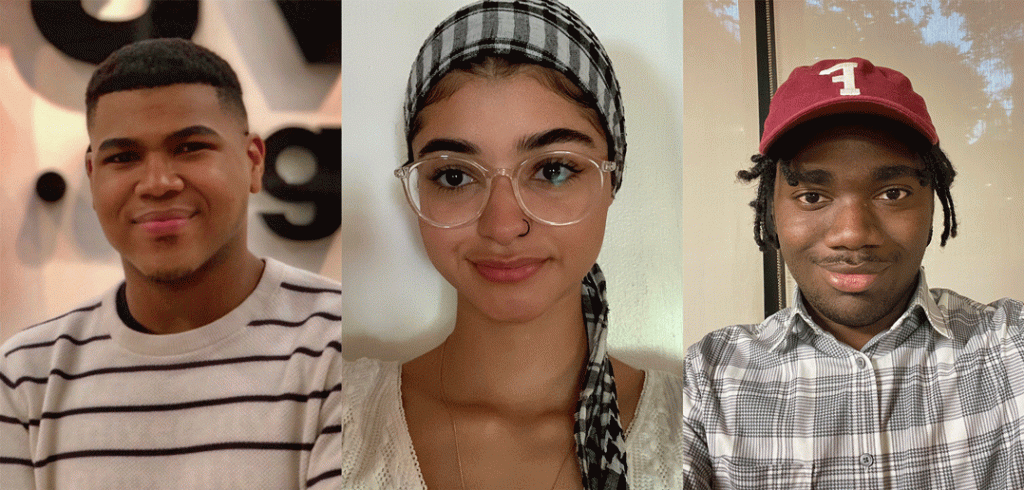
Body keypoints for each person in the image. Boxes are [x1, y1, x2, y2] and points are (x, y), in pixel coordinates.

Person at [342, 1, 687, 489]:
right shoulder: (332, 412)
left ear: (612, 181)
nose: (503, 226)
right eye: (455, 175)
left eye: (552, 169)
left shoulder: (707, 431)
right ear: (419, 185)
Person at [0, 39, 341, 489]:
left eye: (190, 147)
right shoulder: (26, 374)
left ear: (254, 161)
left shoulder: (339, 344)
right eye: (123, 157)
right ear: (92, 175)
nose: (157, 183)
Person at [679, 57, 1024, 488]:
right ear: (771, 211)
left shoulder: (1012, 347)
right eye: (811, 196)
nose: (852, 234)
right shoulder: (707, 378)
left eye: (892, 193)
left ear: (932, 205)